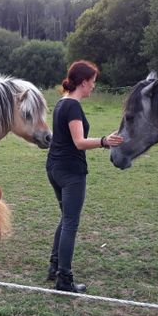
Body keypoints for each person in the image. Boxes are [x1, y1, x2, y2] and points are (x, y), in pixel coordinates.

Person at [45, 60, 124, 293]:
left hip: (54, 168)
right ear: (82, 82)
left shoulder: (61, 103)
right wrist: (104, 141)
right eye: (92, 83)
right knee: (70, 222)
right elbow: (79, 142)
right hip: (71, 172)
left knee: (65, 218)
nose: (93, 87)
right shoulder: (73, 107)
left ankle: (55, 267)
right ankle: (64, 279)